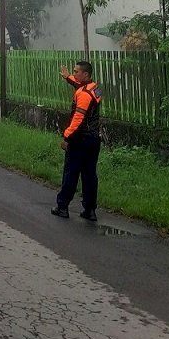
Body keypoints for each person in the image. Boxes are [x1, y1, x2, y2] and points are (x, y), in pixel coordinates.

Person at [51, 60, 102, 221]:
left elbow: (78, 119)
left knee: (71, 173)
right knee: (89, 175)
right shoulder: (94, 88)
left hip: (80, 139)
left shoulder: (83, 95)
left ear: (85, 74)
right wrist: (68, 78)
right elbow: (81, 87)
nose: (74, 74)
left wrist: (67, 137)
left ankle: (62, 207)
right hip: (94, 139)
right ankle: (90, 210)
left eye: (76, 72)